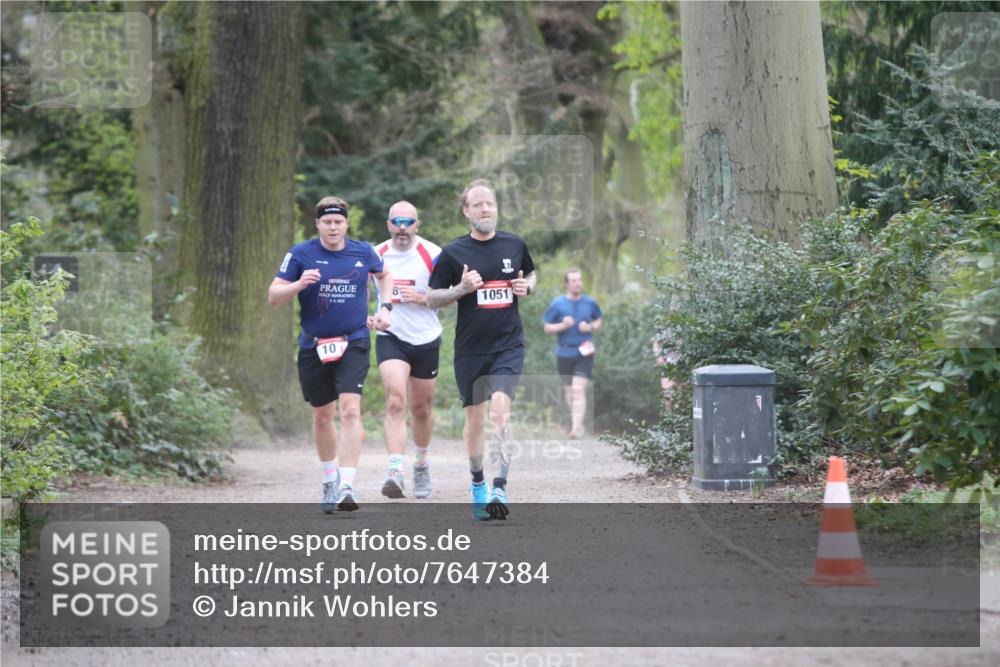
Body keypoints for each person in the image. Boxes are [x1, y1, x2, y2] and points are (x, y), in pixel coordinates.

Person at [268, 196, 393, 513]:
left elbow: (385, 275)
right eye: (327, 222)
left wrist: (386, 307)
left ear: (346, 224)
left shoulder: (363, 251)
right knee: (322, 415)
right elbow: (274, 296)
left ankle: (347, 485)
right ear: (318, 224)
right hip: (314, 344)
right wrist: (298, 284)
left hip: (354, 340)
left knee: (350, 411)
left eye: (338, 222)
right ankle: (329, 479)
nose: (333, 227)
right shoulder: (301, 254)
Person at [427, 179, 536, 521]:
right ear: (467, 211)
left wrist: (526, 287)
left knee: (500, 414)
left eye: (490, 203)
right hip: (471, 350)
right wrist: (460, 288)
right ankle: (478, 484)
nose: (486, 209)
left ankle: (500, 487)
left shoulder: (514, 244)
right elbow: (432, 298)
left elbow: (532, 274)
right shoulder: (453, 252)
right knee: (474, 421)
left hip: (508, 346)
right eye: (478, 204)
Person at [372, 201, 443, 500]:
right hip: (391, 335)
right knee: (395, 401)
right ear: (388, 224)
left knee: (422, 408)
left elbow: (453, 293)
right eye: (396, 221)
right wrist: (364, 318)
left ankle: (421, 464)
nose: (402, 227)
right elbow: (356, 290)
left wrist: (425, 298)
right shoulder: (377, 254)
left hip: (426, 337)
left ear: (417, 224)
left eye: (408, 222)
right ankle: (395, 472)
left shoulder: (433, 253)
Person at [542, 269, 602, 439]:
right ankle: (578, 422)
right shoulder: (557, 304)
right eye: (574, 280)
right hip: (564, 352)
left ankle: (576, 428)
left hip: (584, 351)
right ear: (567, 284)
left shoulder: (590, 302)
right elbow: (547, 327)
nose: (578, 283)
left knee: (577, 389)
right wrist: (562, 325)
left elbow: (598, 320)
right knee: (569, 391)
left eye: (580, 279)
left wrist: (589, 327)